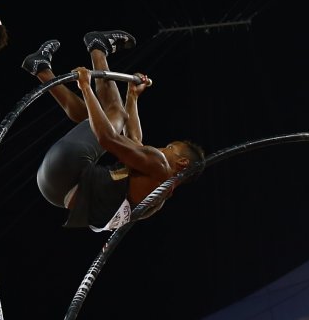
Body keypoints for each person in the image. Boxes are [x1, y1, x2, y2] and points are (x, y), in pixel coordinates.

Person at [24, 31, 205, 230]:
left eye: (170, 147)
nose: (163, 147)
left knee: (114, 113)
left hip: (68, 168)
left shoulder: (160, 165)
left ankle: (98, 47)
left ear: (182, 162)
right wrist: (132, 97)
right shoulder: (157, 198)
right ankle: (41, 68)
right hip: (58, 191)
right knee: (94, 117)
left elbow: (107, 138)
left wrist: (86, 87)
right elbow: (135, 142)